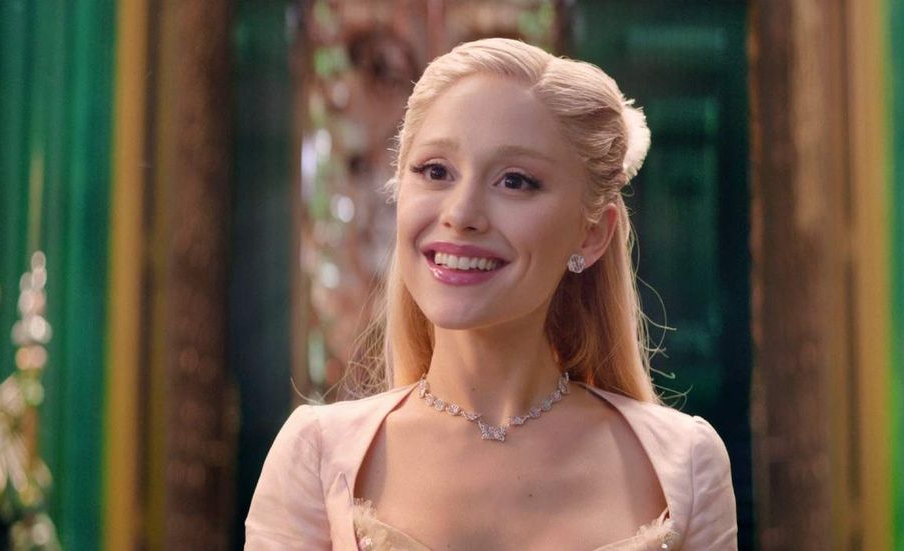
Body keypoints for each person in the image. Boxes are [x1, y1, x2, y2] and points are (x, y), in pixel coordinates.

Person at [245, 38, 736, 550]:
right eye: (436, 171)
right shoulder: (318, 456)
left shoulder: (686, 465)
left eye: (515, 181)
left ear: (591, 234)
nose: (461, 214)